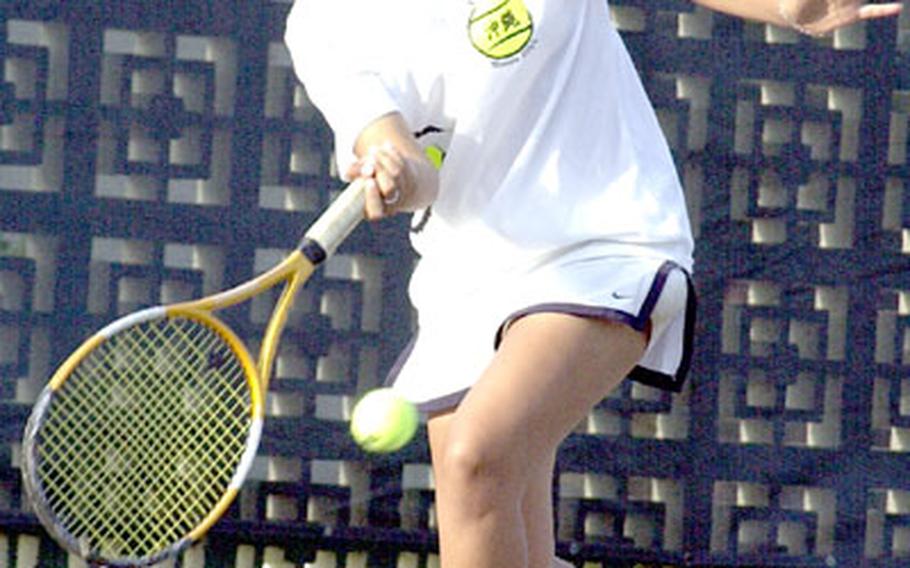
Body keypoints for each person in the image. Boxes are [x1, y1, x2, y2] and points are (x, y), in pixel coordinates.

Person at [284, 1, 901, 566]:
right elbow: (412, 166)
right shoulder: (325, 26)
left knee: (478, 453)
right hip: (463, 283)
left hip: (606, 241)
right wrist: (398, 174)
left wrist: (793, 7)